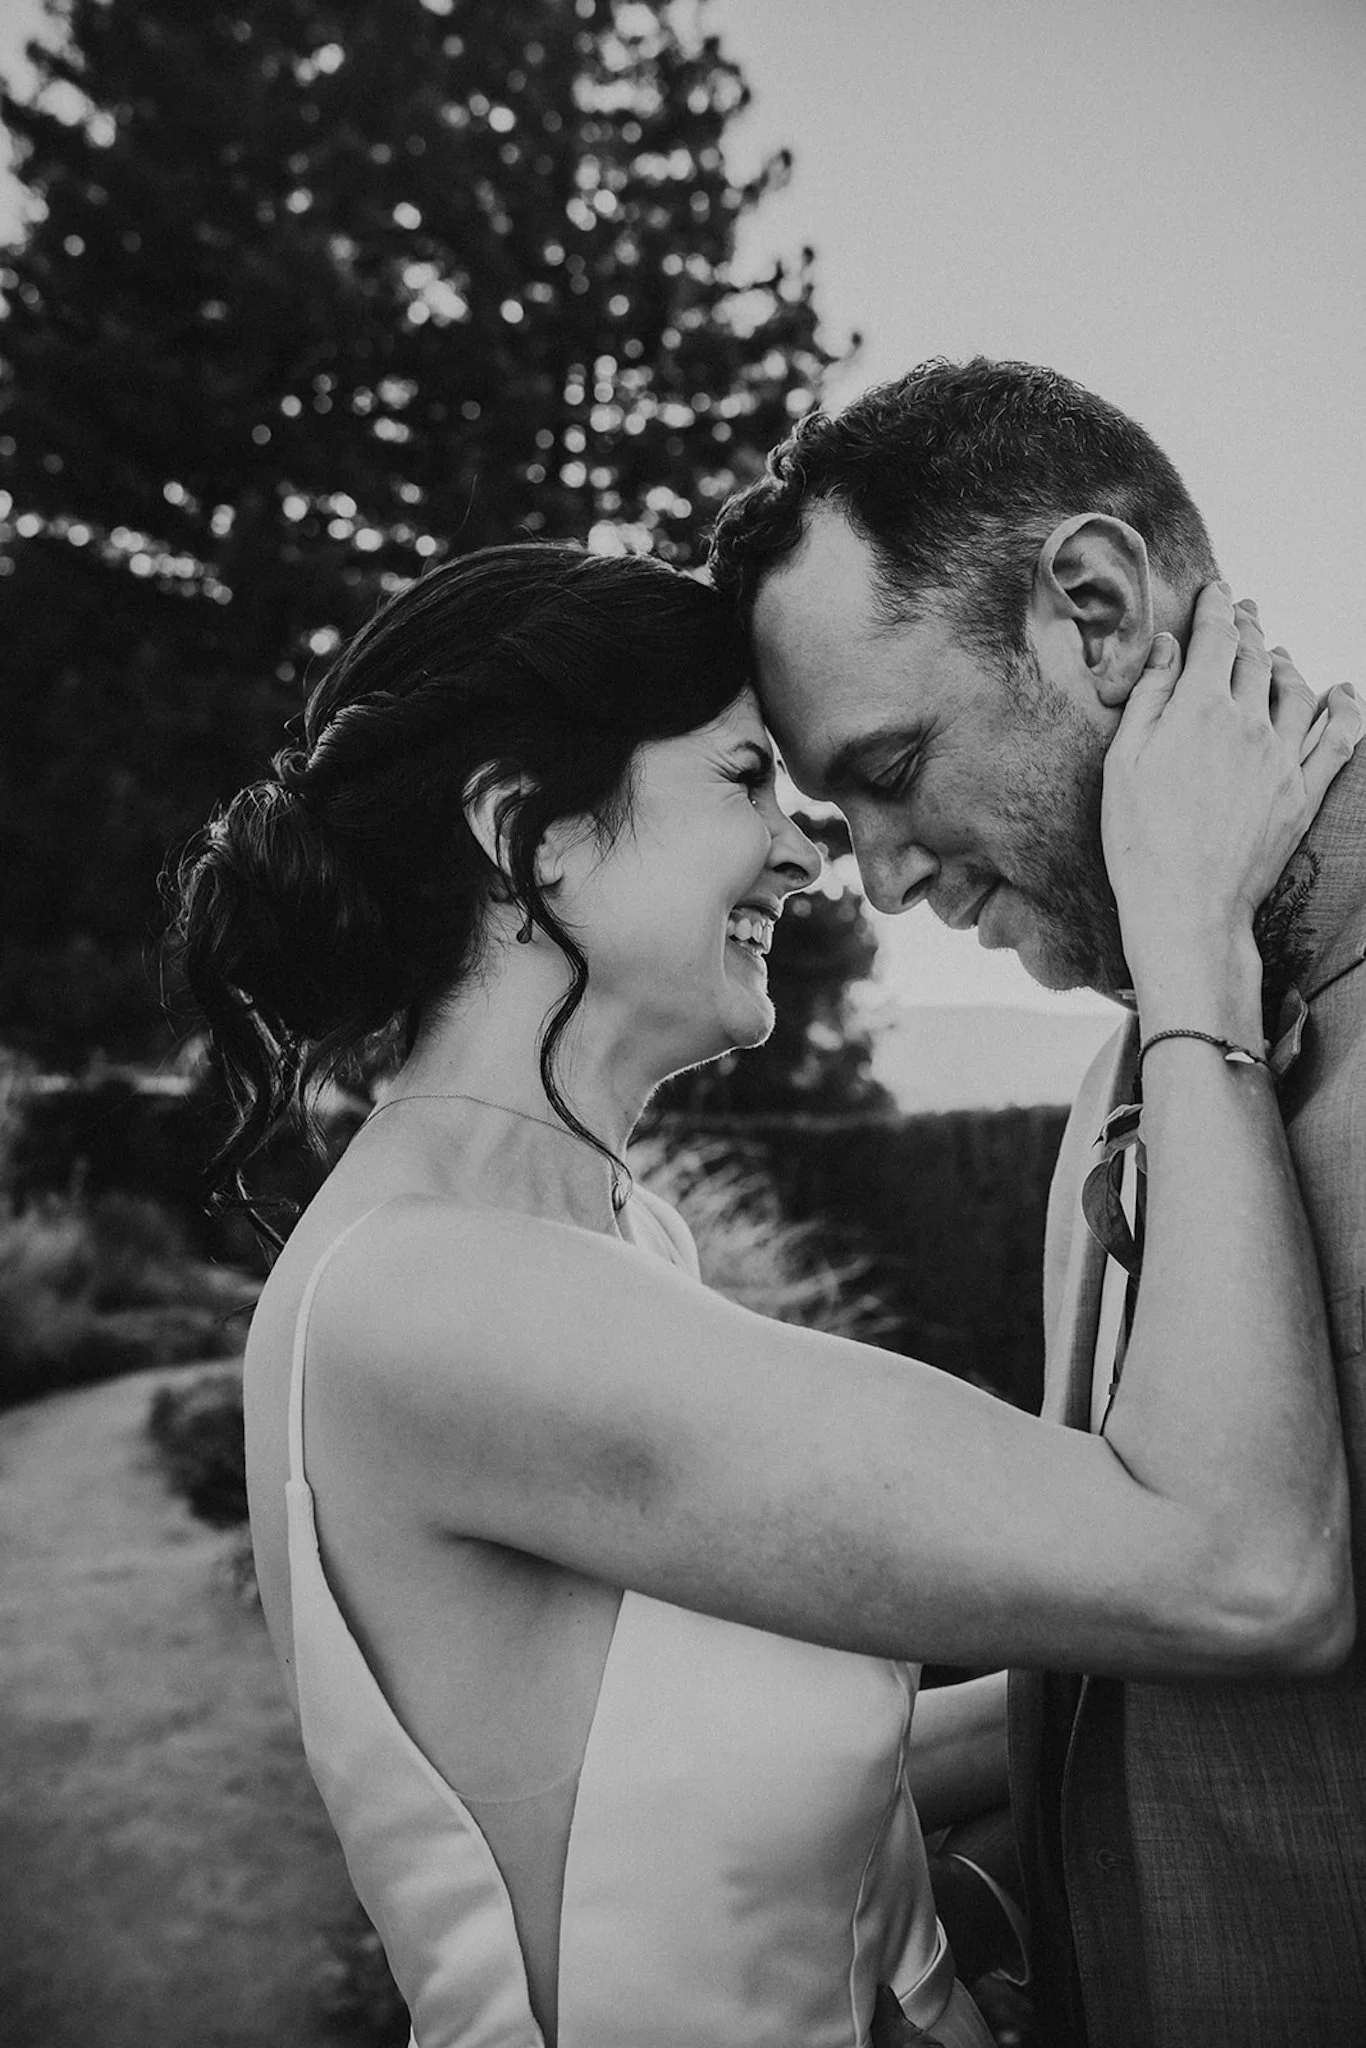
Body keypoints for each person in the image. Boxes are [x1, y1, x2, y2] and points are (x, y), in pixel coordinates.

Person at [168, 538, 1356, 2048]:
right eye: (743, 783)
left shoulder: (602, 1243)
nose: (811, 859)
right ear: (523, 834)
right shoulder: (439, 1303)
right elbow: (1241, 1565)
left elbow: (729, 1805)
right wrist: (1191, 952)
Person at [709, 356, 1366, 2047]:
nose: (879, 877)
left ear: (1092, 608)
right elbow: (1166, 1694)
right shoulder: (1120, 1092)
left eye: (893, 763)